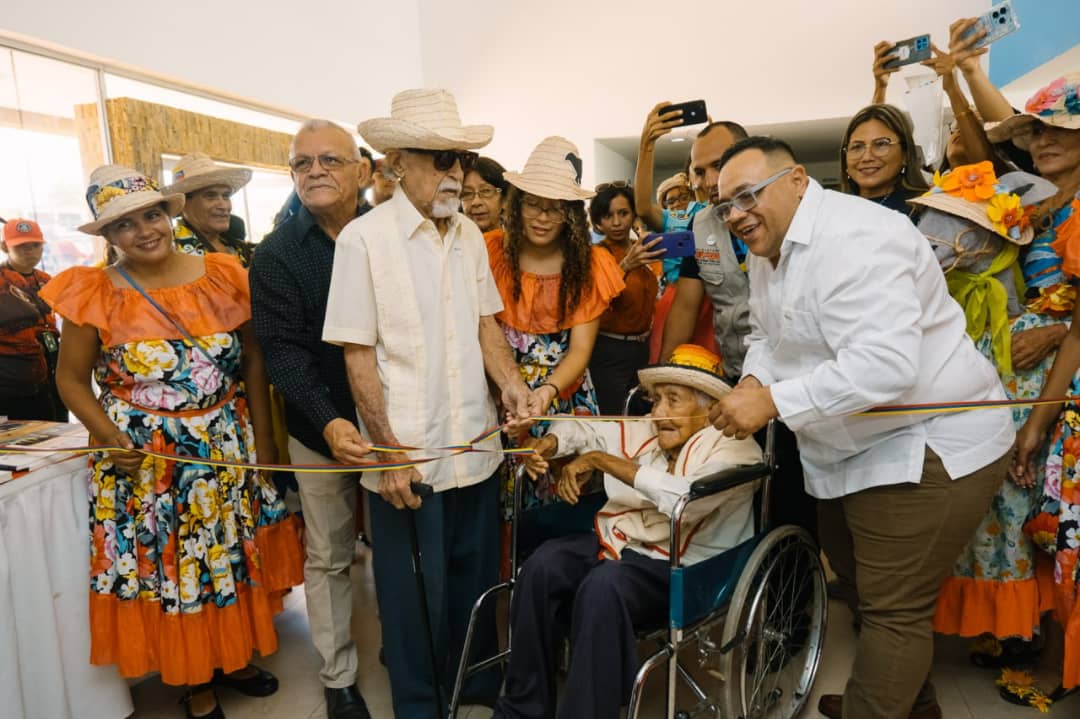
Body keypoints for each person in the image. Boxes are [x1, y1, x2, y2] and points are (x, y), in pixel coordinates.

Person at [707, 136, 1014, 719]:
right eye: (725, 206)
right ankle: (908, 704)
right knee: (859, 584)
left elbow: (885, 368)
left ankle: (876, 704)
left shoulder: (860, 238)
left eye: (747, 195)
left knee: (893, 609)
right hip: (846, 442)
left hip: (925, 440)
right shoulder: (769, 247)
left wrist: (772, 401)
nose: (736, 215)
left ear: (797, 179)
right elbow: (767, 335)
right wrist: (752, 381)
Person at [40, 165, 304, 719]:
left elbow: (254, 361)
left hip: (224, 446)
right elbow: (70, 380)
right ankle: (194, 677)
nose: (144, 231)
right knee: (175, 569)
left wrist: (264, 442)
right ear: (108, 236)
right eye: (124, 224)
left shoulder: (223, 274)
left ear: (168, 215)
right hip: (146, 462)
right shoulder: (95, 293)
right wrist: (111, 439)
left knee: (228, 555)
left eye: (151, 215)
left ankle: (232, 657)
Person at [325, 88, 532, 719]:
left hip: (476, 443)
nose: (457, 174)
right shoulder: (362, 241)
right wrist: (388, 452)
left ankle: (476, 684)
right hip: (408, 458)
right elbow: (357, 355)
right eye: (442, 160)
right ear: (396, 163)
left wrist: (511, 384)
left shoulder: (469, 234)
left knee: (475, 580)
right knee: (411, 595)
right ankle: (420, 705)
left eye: (461, 160)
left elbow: (486, 324)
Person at [492, 344, 762, 719]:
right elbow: (584, 427)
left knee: (603, 586)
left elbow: (683, 499)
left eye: (673, 400)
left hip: (686, 567)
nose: (659, 413)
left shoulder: (735, 448)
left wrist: (601, 461)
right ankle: (523, 709)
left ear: (710, 407)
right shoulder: (649, 429)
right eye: (656, 399)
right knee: (542, 566)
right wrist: (551, 444)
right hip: (622, 542)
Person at [906, 166, 1060, 672]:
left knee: (1017, 502)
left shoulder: (1027, 325)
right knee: (978, 510)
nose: (934, 237)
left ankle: (1023, 625)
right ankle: (994, 622)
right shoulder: (944, 311)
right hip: (972, 388)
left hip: (1017, 372)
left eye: (960, 225)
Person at [250, 119, 374, 719]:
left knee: (400, 549)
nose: (315, 170)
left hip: (397, 429)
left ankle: (408, 651)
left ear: (362, 170)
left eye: (330, 159)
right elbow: (282, 353)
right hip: (318, 430)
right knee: (328, 555)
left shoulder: (391, 234)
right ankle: (338, 677)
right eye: (302, 163)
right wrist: (328, 422)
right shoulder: (276, 254)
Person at [995, 73, 1080, 706]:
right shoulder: (1046, 205)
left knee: (1066, 523)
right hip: (1045, 383)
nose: (1044, 140)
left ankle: (1059, 665)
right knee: (1047, 521)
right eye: (1036, 130)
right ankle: (1044, 649)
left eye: (1060, 130)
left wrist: (1037, 421)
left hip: (1067, 391)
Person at [486, 135, 624, 511]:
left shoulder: (591, 265)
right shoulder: (491, 251)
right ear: (517, 203)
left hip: (563, 397)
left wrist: (546, 393)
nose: (543, 217)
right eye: (533, 204)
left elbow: (580, 351)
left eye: (555, 208)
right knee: (507, 505)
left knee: (563, 505)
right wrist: (508, 391)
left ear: (572, 214)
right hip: (503, 398)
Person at [587, 182, 661, 414]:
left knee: (642, 414)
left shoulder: (644, 248)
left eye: (623, 213)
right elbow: (595, 298)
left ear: (634, 215)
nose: (617, 222)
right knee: (613, 418)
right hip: (609, 350)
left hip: (643, 348)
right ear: (598, 222)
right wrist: (626, 265)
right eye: (608, 216)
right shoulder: (597, 254)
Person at [0, 218, 64, 421]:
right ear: (5, 247)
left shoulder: (46, 279)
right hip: (10, 381)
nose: (30, 251)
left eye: (35, 245)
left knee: (58, 430)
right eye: (21, 246)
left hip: (51, 373)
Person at [839, 104, 929, 217]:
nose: (867, 157)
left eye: (881, 144)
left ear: (905, 155)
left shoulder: (924, 209)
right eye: (857, 147)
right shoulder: (832, 211)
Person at [167, 153, 255, 266]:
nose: (223, 206)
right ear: (183, 203)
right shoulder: (170, 250)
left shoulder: (240, 249)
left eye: (226, 196)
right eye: (210, 196)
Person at [462, 156, 508, 233]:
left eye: (486, 191)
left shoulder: (518, 240)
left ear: (505, 200)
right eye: (467, 193)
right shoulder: (449, 240)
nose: (476, 202)